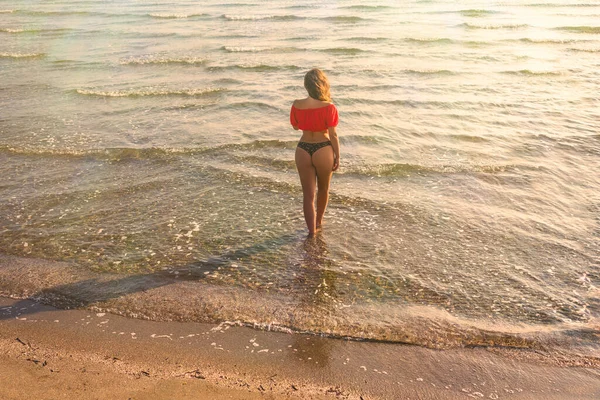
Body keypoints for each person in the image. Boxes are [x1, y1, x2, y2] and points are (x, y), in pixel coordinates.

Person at [290, 69, 340, 236]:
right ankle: (318, 223)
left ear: (306, 86)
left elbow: (296, 126)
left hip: (303, 148)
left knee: (308, 195)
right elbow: (333, 134)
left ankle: (311, 231)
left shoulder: (296, 104)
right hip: (323, 148)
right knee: (324, 189)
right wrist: (337, 156)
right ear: (323, 84)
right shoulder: (329, 107)